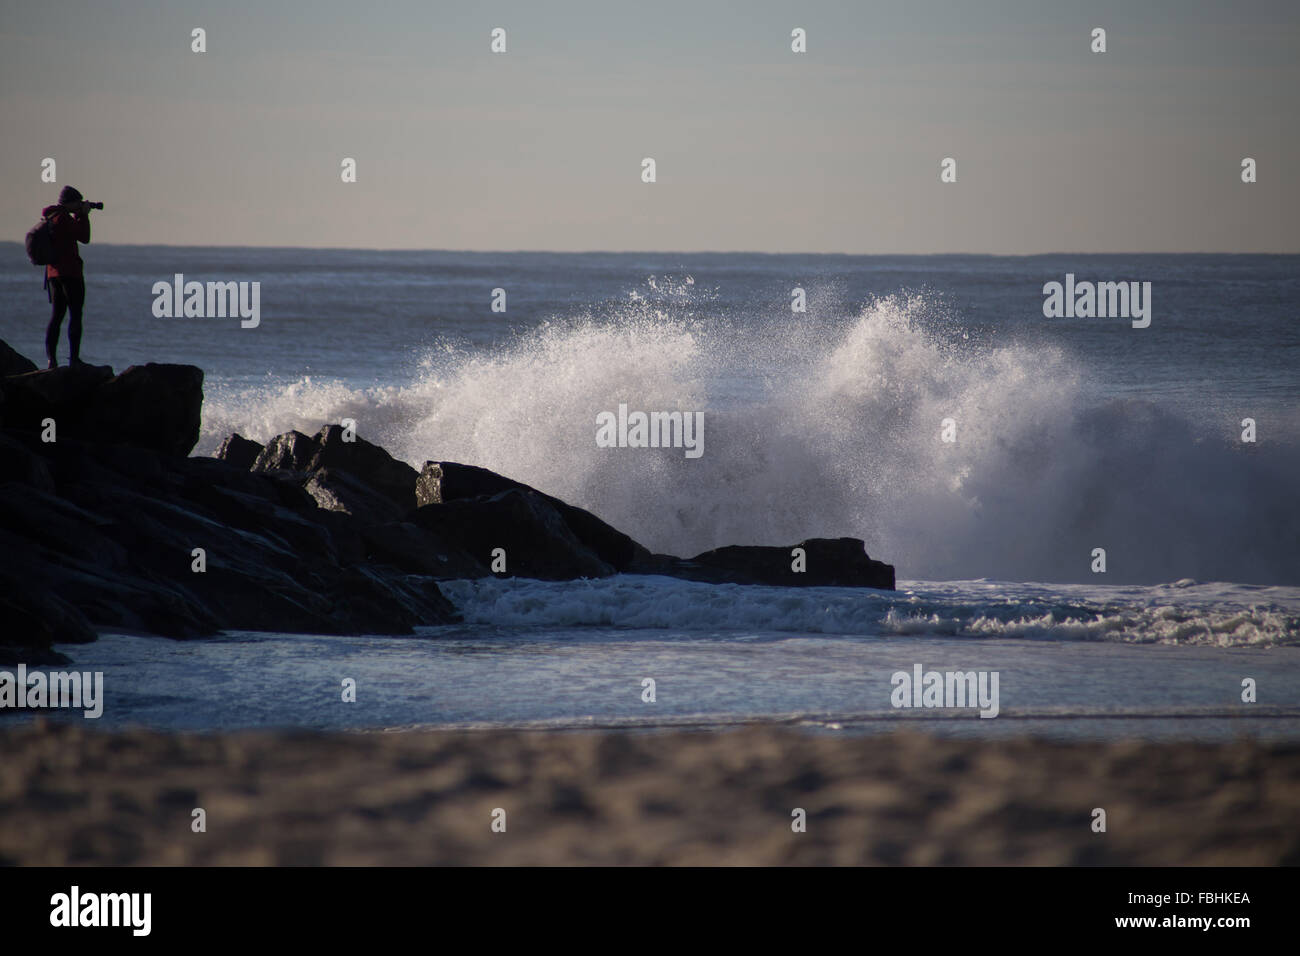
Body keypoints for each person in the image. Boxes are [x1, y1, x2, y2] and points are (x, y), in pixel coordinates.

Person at [41, 185, 93, 368]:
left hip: (53, 274)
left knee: (56, 316)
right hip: (70, 273)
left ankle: (51, 360)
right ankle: (74, 359)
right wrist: (83, 215)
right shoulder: (64, 219)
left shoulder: (51, 217)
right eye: (78, 202)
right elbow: (84, 237)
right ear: (69, 203)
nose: (80, 205)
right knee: (75, 314)